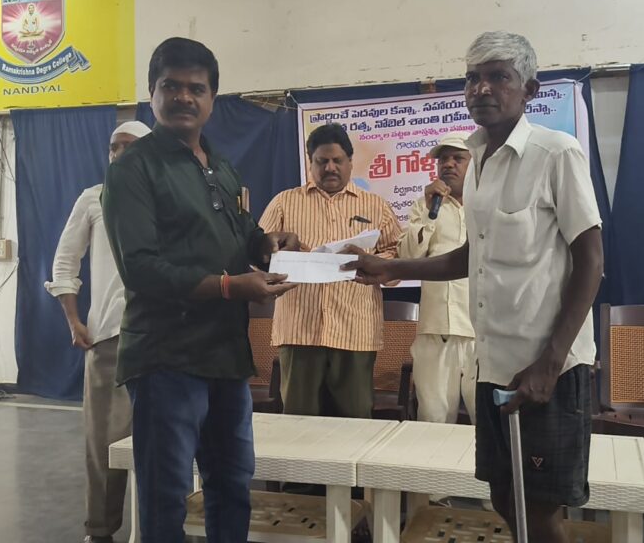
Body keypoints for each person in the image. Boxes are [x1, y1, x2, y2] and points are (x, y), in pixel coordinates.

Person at [344, 31, 603, 543]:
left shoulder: (556, 153)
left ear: (529, 90)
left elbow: (591, 260)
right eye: (472, 78)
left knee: (541, 508)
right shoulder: (477, 159)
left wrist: (551, 362)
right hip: (492, 364)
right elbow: (471, 257)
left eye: (498, 77)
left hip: (546, 367)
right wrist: (388, 267)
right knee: (504, 495)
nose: (481, 88)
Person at [102, 37, 299, 543]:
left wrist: (266, 243)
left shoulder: (218, 165)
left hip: (225, 356)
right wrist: (231, 287)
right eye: (171, 86)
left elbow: (240, 232)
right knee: (166, 497)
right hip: (167, 357)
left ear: (212, 98)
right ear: (152, 93)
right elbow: (141, 269)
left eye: (197, 88)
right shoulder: (132, 170)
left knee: (232, 484)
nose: (184, 97)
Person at [44, 120, 151, 543]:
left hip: (165, 339)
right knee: (104, 440)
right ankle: (101, 529)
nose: (119, 154)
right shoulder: (93, 198)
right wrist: (74, 320)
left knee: (168, 442)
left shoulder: (169, 200)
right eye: (113, 147)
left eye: (130, 147)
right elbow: (64, 261)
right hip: (110, 339)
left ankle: (165, 526)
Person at [259, 123, 401, 421]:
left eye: (337, 160)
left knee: (355, 424)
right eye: (321, 161)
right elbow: (256, 256)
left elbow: (397, 260)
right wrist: (275, 251)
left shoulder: (376, 207)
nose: (330, 168)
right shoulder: (285, 202)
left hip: (355, 331)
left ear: (350, 162)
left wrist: (370, 260)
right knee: (298, 425)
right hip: (299, 331)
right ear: (310, 163)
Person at [397, 133, 477, 425]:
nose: (449, 164)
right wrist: (431, 214)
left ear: (474, 163)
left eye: (458, 158)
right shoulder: (424, 206)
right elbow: (408, 257)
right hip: (435, 330)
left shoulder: (487, 203)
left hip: (481, 332)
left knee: (489, 419)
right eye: (443, 159)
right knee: (433, 421)